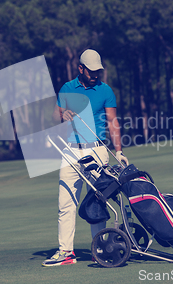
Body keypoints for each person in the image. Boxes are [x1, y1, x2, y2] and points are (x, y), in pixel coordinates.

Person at [42, 49, 129, 266]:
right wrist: (62, 115)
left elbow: (112, 122)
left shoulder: (105, 90)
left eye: (98, 71)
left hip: (97, 150)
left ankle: (98, 249)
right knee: (66, 202)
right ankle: (66, 253)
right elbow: (54, 117)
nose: (95, 75)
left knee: (97, 202)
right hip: (70, 151)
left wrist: (119, 151)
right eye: (91, 71)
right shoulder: (67, 88)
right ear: (80, 68)